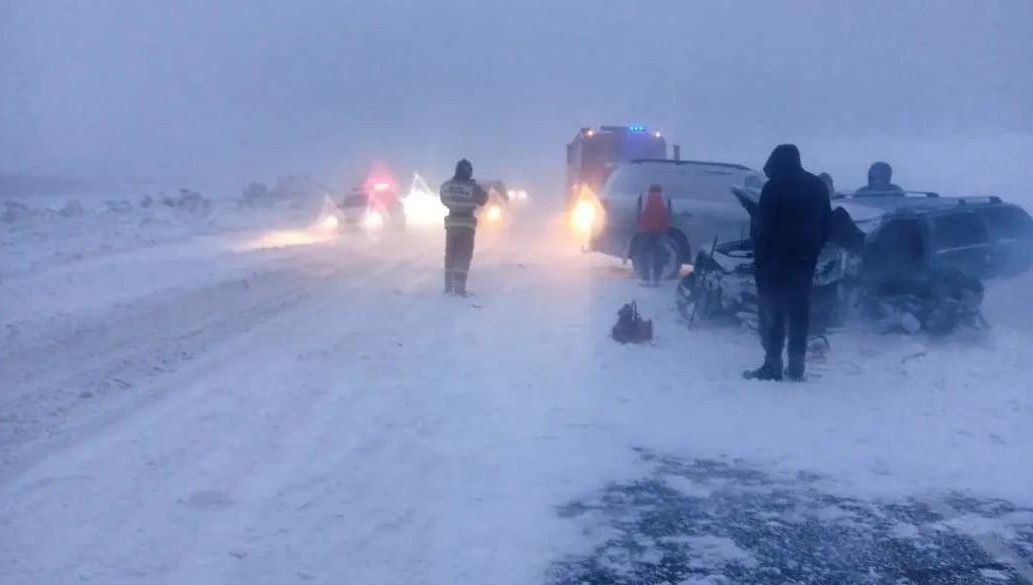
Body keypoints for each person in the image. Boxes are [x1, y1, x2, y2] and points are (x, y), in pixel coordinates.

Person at [745, 144, 832, 382]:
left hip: (776, 262)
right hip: (805, 261)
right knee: (800, 312)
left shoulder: (773, 188)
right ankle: (797, 366)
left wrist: (760, 261)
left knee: (776, 313)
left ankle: (772, 365)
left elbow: (763, 228)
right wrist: (814, 250)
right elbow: (827, 224)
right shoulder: (818, 187)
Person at [439, 159, 488, 296]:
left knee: (450, 255)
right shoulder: (472, 188)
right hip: (466, 225)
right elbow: (483, 200)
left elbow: (443, 199)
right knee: (463, 255)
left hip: (451, 224)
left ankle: (448, 286)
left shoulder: (446, 186)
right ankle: (459, 288)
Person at [634, 184, 672, 286]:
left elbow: (638, 212)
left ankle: (645, 279)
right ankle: (656, 279)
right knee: (659, 255)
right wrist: (666, 227)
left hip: (646, 229)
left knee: (643, 254)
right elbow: (669, 214)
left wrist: (640, 225)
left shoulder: (643, 196)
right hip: (661, 230)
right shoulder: (666, 197)